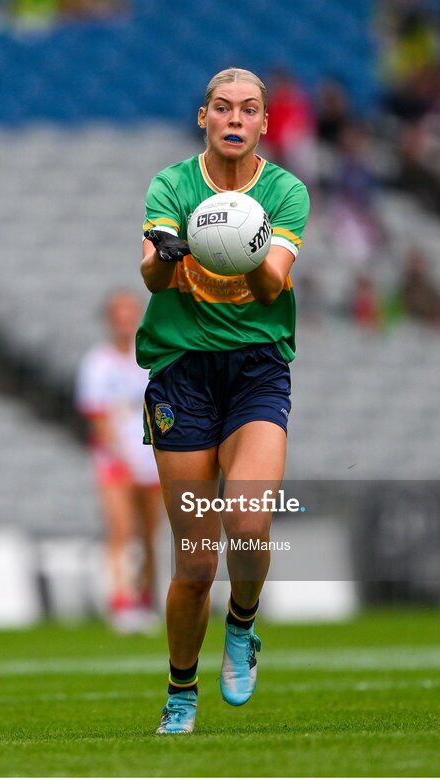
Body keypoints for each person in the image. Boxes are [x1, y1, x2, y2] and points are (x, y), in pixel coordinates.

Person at [140, 67, 309, 734]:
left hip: (256, 370)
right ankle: (181, 693)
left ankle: (242, 622)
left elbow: (273, 289)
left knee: (246, 522)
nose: (235, 119)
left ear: (265, 123)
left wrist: (244, 240)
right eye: (222, 108)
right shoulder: (172, 185)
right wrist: (168, 253)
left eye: (248, 109)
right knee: (196, 558)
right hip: (182, 372)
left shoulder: (286, 192)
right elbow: (152, 275)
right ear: (203, 117)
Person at [76, 290, 162, 634]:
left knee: (150, 533)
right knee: (121, 530)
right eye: (118, 314)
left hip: (152, 457)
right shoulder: (97, 362)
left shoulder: (152, 357)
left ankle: (146, 597)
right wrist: (121, 457)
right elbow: (98, 416)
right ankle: (121, 601)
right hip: (115, 459)